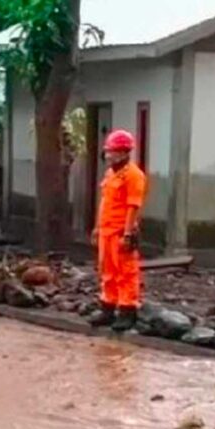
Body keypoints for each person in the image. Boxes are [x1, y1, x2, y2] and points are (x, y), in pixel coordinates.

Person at [89, 129, 148, 333]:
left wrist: (127, 234)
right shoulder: (111, 174)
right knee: (107, 271)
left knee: (126, 272)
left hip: (121, 231)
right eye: (108, 151)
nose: (108, 155)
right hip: (107, 230)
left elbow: (133, 206)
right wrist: (97, 228)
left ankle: (127, 310)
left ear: (124, 152)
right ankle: (108, 307)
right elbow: (104, 202)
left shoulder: (134, 176)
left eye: (112, 152)